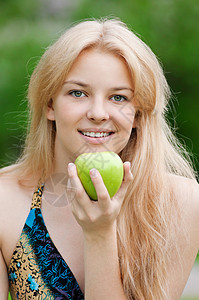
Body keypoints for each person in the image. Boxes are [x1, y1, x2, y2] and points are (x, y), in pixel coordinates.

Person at [0, 18, 198, 300]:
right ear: (49, 104)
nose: (98, 113)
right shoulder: (4, 199)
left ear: (139, 115)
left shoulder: (178, 202)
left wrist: (99, 234)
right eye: (77, 93)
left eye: (118, 98)